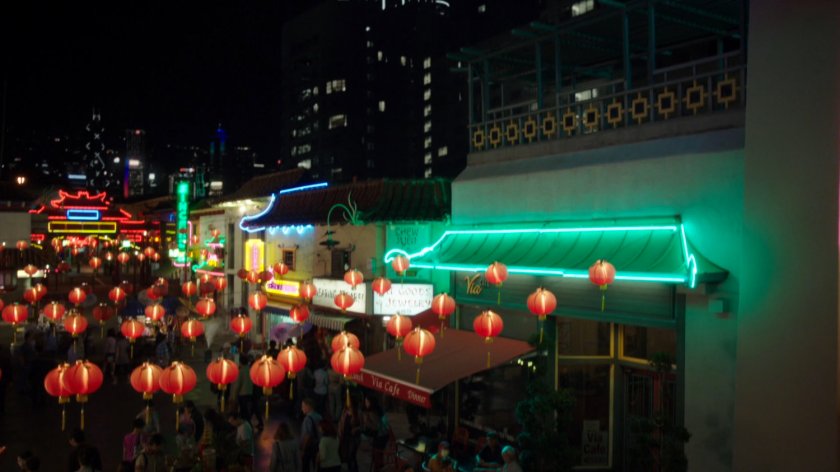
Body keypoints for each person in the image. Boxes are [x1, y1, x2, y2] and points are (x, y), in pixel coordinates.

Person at [338, 397, 361, 472]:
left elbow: (362, 426)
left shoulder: (357, 413)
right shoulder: (345, 412)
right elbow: (341, 423)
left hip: (353, 439)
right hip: (345, 437)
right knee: (347, 457)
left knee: (352, 456)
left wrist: (357, 429)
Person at [300, 397, 322, 472]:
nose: (302, 408)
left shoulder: (307, 419)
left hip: (309, 446)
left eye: (303, 406)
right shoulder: (319, 416)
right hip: (318, 444)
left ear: (308, 406)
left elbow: (307, 435)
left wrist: (303, 449)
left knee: (305, 466)